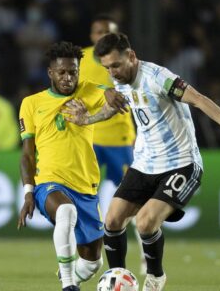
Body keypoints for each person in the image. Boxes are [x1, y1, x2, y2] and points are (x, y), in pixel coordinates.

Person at [63, 33, 220, 291]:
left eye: (116, 65)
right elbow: (118, 106)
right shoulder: (119, 80)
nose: (112, 72)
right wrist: (86, 120)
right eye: (107, 67)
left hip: (181, 163)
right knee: (111, 220)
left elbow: (199, 99)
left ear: (131, 56)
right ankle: (116, 280)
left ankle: (155, 277)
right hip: (145, 163)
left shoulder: (159, 78)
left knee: (145, 222)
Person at [17, 41, 109, 291]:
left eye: (73, 72)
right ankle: (69, 285)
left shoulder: (88, 91)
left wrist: (112, 93)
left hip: (86, 186)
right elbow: (27, 154)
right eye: (62, 72)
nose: (69, 78)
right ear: (51, 73)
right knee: (66, 212)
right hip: (50, 182)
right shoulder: (31, 104)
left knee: (92, 263)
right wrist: (28, 192)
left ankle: (68, 274)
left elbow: (113, 95)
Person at [78, 14, 146, 274]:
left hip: (119, 139)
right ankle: (87, 256)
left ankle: (144, 252)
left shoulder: (125, 63)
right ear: (91, 35)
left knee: (133, 199)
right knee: (84, 199)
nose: (101, 36)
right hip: (90, 139)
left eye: (107, 32)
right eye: (97, 32)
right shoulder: (81, 60)